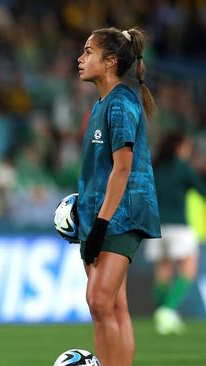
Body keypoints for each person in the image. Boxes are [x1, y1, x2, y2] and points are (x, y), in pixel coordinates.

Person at [76, 27, 161, 366]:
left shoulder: (121, 103)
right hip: (101, 213)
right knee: (112, 306)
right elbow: (100, 170)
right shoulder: (102, 104)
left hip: (120, 215)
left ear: (110, 61)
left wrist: (100, 223)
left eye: (87, 52)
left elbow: (122, 169)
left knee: (98, 300)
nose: (80, 59)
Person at [145, 131, 206, 335]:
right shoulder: (183, 168)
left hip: (156, 227)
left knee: (163, 272)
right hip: (179, 227)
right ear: (179, 147)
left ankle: (163, 316)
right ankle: (167, 311)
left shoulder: (154, 167)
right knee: (188, 269)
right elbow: (202, 191)